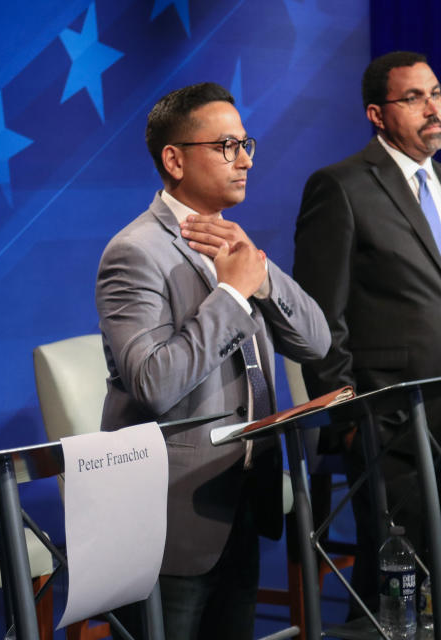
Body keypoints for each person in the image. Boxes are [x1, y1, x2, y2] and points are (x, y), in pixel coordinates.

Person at [96, 82, 330, 639]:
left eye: (246, 143)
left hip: (240, 496)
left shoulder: (233, 244)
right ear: (174, 159)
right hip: (171, 513)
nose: (245, 158)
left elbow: (317, 342)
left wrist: (261, 274)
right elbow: (154, 383)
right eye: (226, 145)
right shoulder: (135, 252)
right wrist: (230, 297)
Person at [293, 51, 441, 613]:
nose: (432, 109)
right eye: (414, 98)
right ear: (377, 115)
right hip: (393, 425)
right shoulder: (340, 187)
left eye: (436, 95)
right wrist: (354, 417)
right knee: (397, 595)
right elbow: (318, 317)